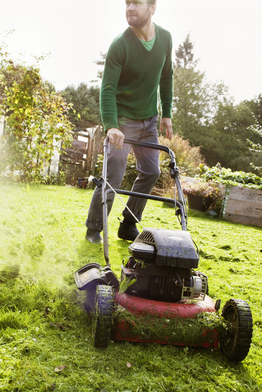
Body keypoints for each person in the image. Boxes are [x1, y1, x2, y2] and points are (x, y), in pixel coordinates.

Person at [85, 0, 173, 244]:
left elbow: (167, 76)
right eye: (127, 3)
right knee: (113, 174)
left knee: (152, 171)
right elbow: (108, 89)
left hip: (149, 121)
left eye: (137, 3)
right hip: (123, 122)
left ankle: (128, 224)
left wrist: (166, 112)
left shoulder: (165, 39)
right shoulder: (120, 45)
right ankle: (94, 228)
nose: (130, 8)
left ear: (152, 8)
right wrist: (111, 125)